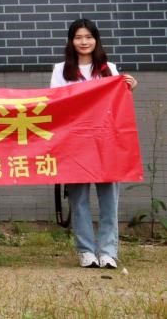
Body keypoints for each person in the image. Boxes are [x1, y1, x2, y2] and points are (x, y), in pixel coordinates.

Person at [50, 18, 138, 269]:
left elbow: (118, 104)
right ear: (71, 41)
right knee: (78, 200)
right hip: (75, 144)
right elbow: (54, 103)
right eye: (78, 37)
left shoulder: (109, 68)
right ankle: (86, 251)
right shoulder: (61, 70)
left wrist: (129, 87)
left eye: (88, 37)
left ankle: (108, 251)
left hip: (106, 144)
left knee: (109, 199)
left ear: (96, 40)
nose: (84, 42)